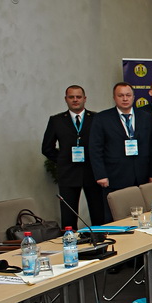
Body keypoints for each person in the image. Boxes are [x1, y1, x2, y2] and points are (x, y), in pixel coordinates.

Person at [41, 85, 105, 227]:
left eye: (78, 97)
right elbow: (46, 148)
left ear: (84, 99)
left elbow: (104, 144)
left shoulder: (96, 118)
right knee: (68, 217)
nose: (75, 100)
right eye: (71, 97)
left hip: (93, 172)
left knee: (98, 214)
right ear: (66, 99)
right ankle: (70, 240)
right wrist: (62, 159)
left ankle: (100, 239)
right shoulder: (56, 120)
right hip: (68, 174)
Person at [89, 82, 152, 197]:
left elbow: (151, 147)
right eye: (120, 95)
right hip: (114, 176)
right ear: (114, 97)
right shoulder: (102, 118)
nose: (125, 99)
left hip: (141, 176)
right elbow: (95, 149)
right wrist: (100, 175)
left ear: (133, 97)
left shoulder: (146, 117)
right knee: (117, 208)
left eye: (128, 95)